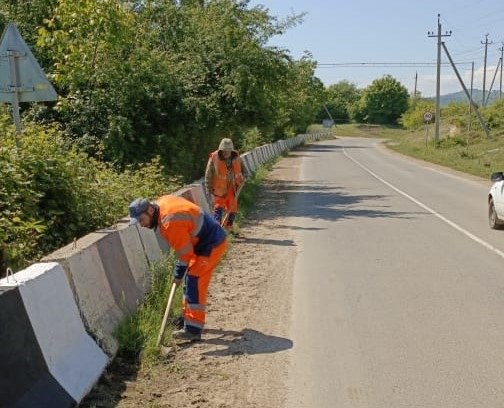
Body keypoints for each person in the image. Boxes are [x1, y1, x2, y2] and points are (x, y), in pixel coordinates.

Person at [129, 195, 227, 342]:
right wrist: (180, 274)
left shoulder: (169, 222)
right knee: (190, 279)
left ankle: (193, 329)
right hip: (202, 241)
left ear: (150, 210)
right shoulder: (161, 204)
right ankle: (187, 318)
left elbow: (185, 255)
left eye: (141, 220)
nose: (141, 225)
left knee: (195, 280)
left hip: (211, 244)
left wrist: (178, 274)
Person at [205, 138, 244, 233]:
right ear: (220, 150)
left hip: (232, 188)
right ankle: (217, 231)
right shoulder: (214, 158)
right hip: (219, 189)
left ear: (231, 150)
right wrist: (208, 189)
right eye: (224, 151)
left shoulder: (236, 157)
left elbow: (243, 169)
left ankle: (228, 227)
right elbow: (208, 174)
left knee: (233, 209)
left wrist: (245, 176)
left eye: (228, 151)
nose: (226, 152)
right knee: (218, 209)